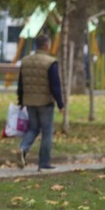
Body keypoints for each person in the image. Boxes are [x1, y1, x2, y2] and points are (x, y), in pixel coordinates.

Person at [17, 33, 65, 171]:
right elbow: (55, 86)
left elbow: (21, 83)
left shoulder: (25, 61)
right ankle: (43, 162)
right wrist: (61, 104)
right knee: (47, 132)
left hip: (29, 102)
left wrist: (21, 101)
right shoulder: (50, 62)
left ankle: (22, 148)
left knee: (33, 128)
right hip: (45, 102)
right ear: (47, 45)